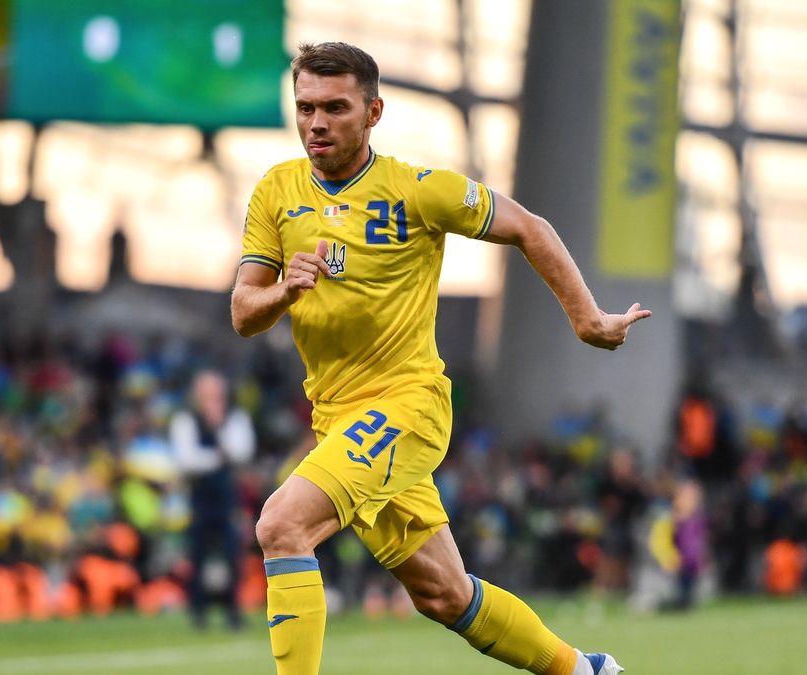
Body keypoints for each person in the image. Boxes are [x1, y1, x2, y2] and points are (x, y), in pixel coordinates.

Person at [232, 42, 649, 675]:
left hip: (407, 407)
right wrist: (284, 289)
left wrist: (587, 319)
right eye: (305, 107)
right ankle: (585, 671)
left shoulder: (418, 191)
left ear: (373, 112)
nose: (316, 123)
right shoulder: (277, 191)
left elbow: (529, 227)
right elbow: (242, 312)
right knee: (443, 595)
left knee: (281, 526)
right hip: (338, 420)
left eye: (335, 108)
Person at [169, 368, 256, 630]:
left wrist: (216, 437)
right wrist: (219, 456)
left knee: (233, 555)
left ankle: (233, 611)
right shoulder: (186, 420)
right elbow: (186, 460)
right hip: (198, 499)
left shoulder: (235, 418)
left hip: (228, 498)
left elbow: (243, 451)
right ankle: (198, 612)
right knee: (197, 555)